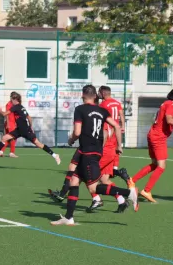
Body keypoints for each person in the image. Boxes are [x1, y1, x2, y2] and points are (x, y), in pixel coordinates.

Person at [51, 85, 138, 226]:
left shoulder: (80, 109)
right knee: (74, 180)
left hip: (87, 152)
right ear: (95, 96)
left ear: (83, 95)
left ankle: (129, 194)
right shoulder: (102, 110)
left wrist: (71, 139)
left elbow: (77, 132)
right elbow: (116, 126)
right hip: (97, 151)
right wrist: (119, 145)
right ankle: (68, 217)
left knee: (94, 188)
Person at [130, 89, 173, 203]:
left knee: (154, 164)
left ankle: (132, 180)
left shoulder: (165, 104)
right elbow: (169, 120)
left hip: (152, 135)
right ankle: (146, 190)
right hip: (158, 138)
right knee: (161, 166)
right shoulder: (170, 105)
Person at [0, 92, 61, 165]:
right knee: (4, 138)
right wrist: (31, 127)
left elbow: (4, 114)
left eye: (11, 99)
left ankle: (55, 155)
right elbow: (29, 118)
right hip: (19, 130)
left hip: (25, 130)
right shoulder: (22, 107)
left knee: (39, 144)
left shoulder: (16, 107)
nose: (11, 101)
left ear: (15, 99)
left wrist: (0, 110)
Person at [99, 86, 126, 178]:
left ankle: (101, 167)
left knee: (106, 148)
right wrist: (123, 126)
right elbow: (121, 114)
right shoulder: (117, 103)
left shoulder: (103, 104)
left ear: (102, 93)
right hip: (116, 128)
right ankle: (114, 168)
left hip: (109, 128)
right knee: (116, 148)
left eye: (99, 92)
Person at [0, 93, 17, 157]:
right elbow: (7, 114)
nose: (14, 98)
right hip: (10, 123)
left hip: (12, 123)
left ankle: (1, 151)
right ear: (11, 97)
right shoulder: (9, 104)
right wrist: (8, 124)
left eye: (15, 97)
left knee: (7, 138)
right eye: (13, 97)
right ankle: (11, 153)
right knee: (13, 138)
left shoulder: (14, 104)